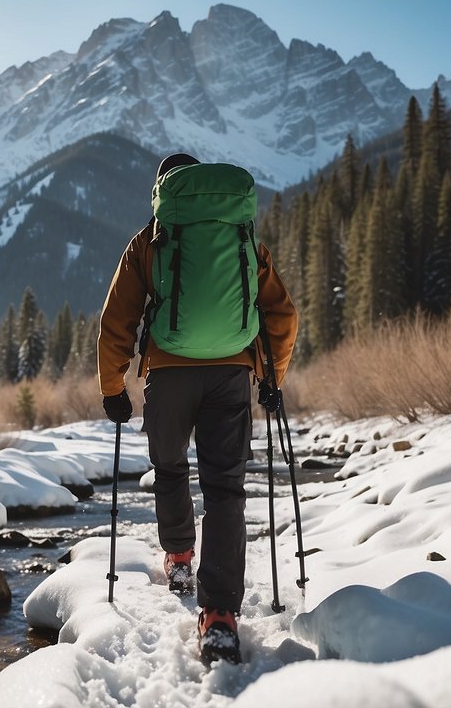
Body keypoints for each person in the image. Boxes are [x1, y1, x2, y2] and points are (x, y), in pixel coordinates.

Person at [97, 151, 297, 665]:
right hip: (233, 374)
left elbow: (116, 321)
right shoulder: (241, 235)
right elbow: (281, 311)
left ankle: (181, 558)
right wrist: (274, 377)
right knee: (226, 488)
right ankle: (220, 616)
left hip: (167, 374)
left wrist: (113, 388)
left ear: (163, 190)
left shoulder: (150, 239)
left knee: (168, 467)